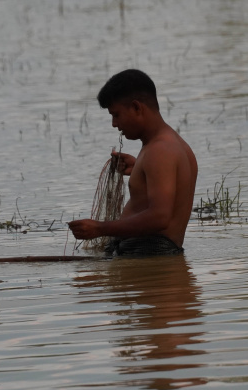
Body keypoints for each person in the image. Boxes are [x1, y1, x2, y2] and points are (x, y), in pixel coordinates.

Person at [68, 69, 198, 256]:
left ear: (137, 108)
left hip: (149, 257)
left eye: (116, 115)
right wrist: (140, 169)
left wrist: (100, 228)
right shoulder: (173, 144)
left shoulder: (159, 151)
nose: (114, 124)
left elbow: (160, 217)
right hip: (154, 256)